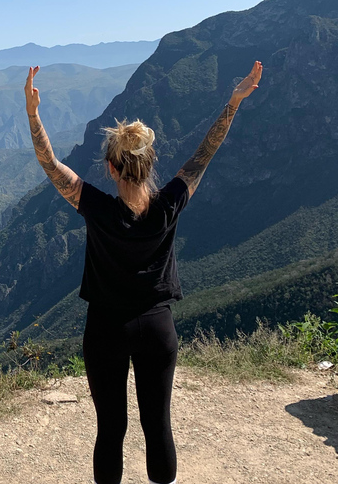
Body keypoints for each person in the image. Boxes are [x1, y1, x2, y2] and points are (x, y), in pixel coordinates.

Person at [24, 61, 263, 484]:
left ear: (111, 169)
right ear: (150, 165)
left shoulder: (95, 207)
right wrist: (233, 102)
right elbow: (204, 154)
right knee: (159, 427)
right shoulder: (170, 203)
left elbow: (52, 165)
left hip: (105, 331)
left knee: (110, 431)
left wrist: (33, 114)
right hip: (157, 329)